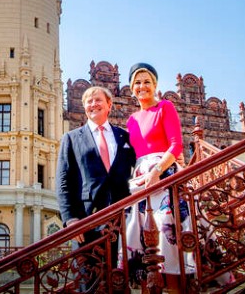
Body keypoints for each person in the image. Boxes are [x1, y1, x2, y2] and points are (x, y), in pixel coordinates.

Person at [125, 62, 194, 290]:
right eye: (137, 82)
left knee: (167, 229)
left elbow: (176, 146)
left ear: (155, 85)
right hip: (140, 179)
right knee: (141, 232)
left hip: (163, 177)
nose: (142, 86)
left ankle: (177, 284)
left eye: (147, 81)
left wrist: (157, 172)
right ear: (131, 87)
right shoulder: (132, 120)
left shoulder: (165, 107)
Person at [57, 85, 136, 281]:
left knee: (119, 281)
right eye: (88, 102)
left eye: (98, 100)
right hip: (86, 221)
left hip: (122, 219)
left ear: (109, 104)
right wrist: (70, 219)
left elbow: (138, 168)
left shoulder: (124, 137)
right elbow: (63, 180)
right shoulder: (71, 138)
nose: (93, 104)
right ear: (84, 107)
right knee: (89, 282)